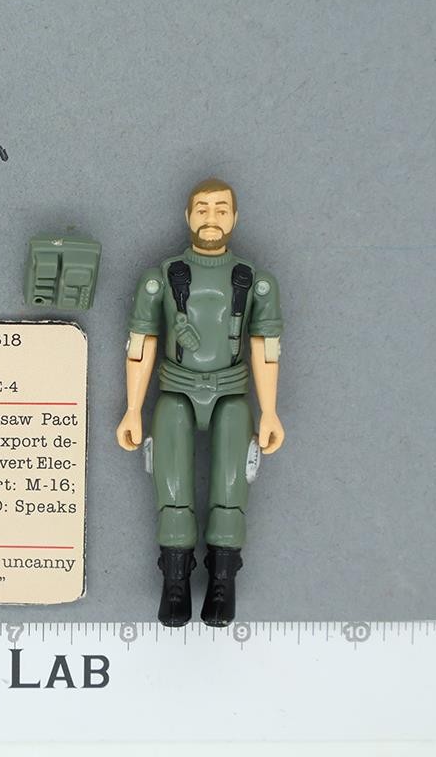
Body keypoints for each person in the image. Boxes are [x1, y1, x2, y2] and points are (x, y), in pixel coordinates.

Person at [116, 178, 284, 627]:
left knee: (231, 489)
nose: (212, 218)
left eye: (221, 209)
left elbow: (266, 348)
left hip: (231, 393)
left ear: (235, 218)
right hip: (176, 391)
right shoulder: (160, 278)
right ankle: (175, 581)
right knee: (171, 489)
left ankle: (223, 581)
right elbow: (141, 344)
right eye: (203, 209)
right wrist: (133, 408)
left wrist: (269, 411)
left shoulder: (255, 282)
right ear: (188, 216)